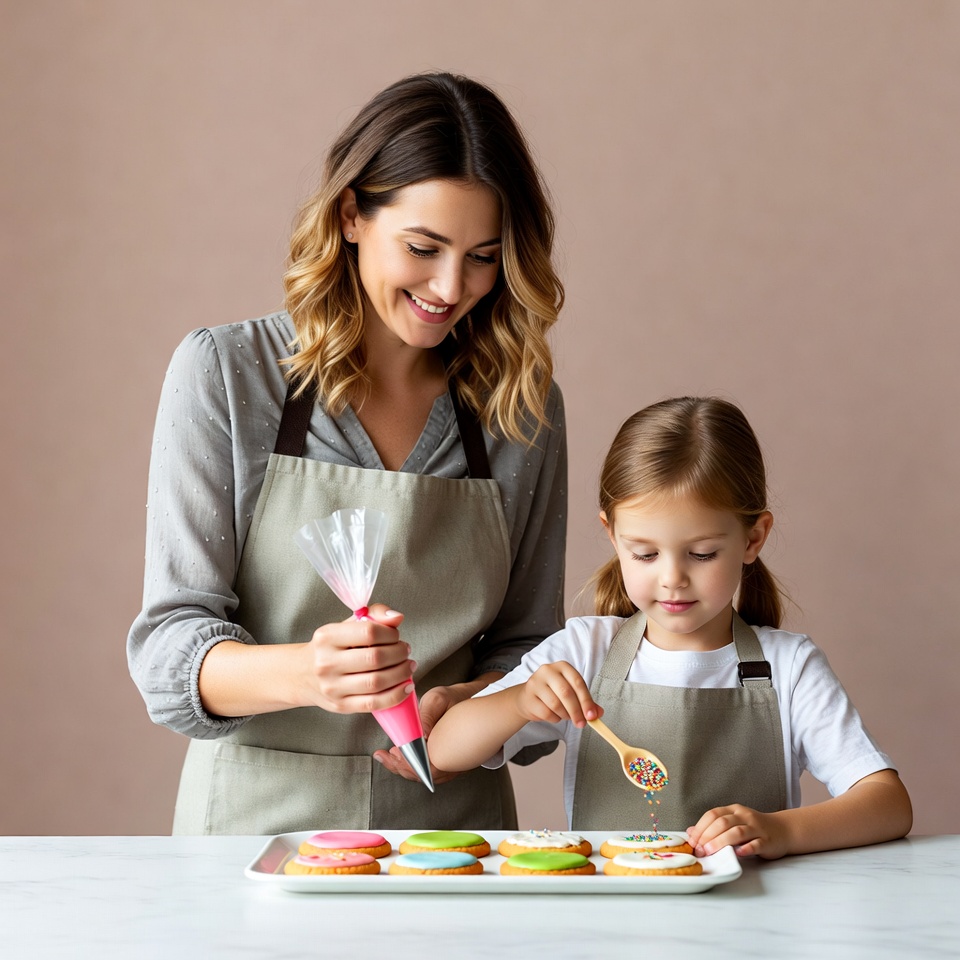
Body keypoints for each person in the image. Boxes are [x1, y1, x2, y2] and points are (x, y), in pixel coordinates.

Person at [127, 72, 567, 835]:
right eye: (424, 247)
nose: (451, 286)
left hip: (451, 838)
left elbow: (530, 645)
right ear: (352, 215)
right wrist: (311, 672)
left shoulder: (519, 410)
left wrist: (478, 706)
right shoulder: (229, 377)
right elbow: (169, 652)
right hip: (253, 833)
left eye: (484, 256)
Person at [428, 397, 912, 859]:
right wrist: (518, 700)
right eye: (645, 554)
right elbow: (445, 750)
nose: (672, 578)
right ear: (612, 537)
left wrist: (779, 829)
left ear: (753, 538)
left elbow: (888, 804)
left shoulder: (789, 667)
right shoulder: (584, 652)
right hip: (614, 929)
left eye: (702, 554)